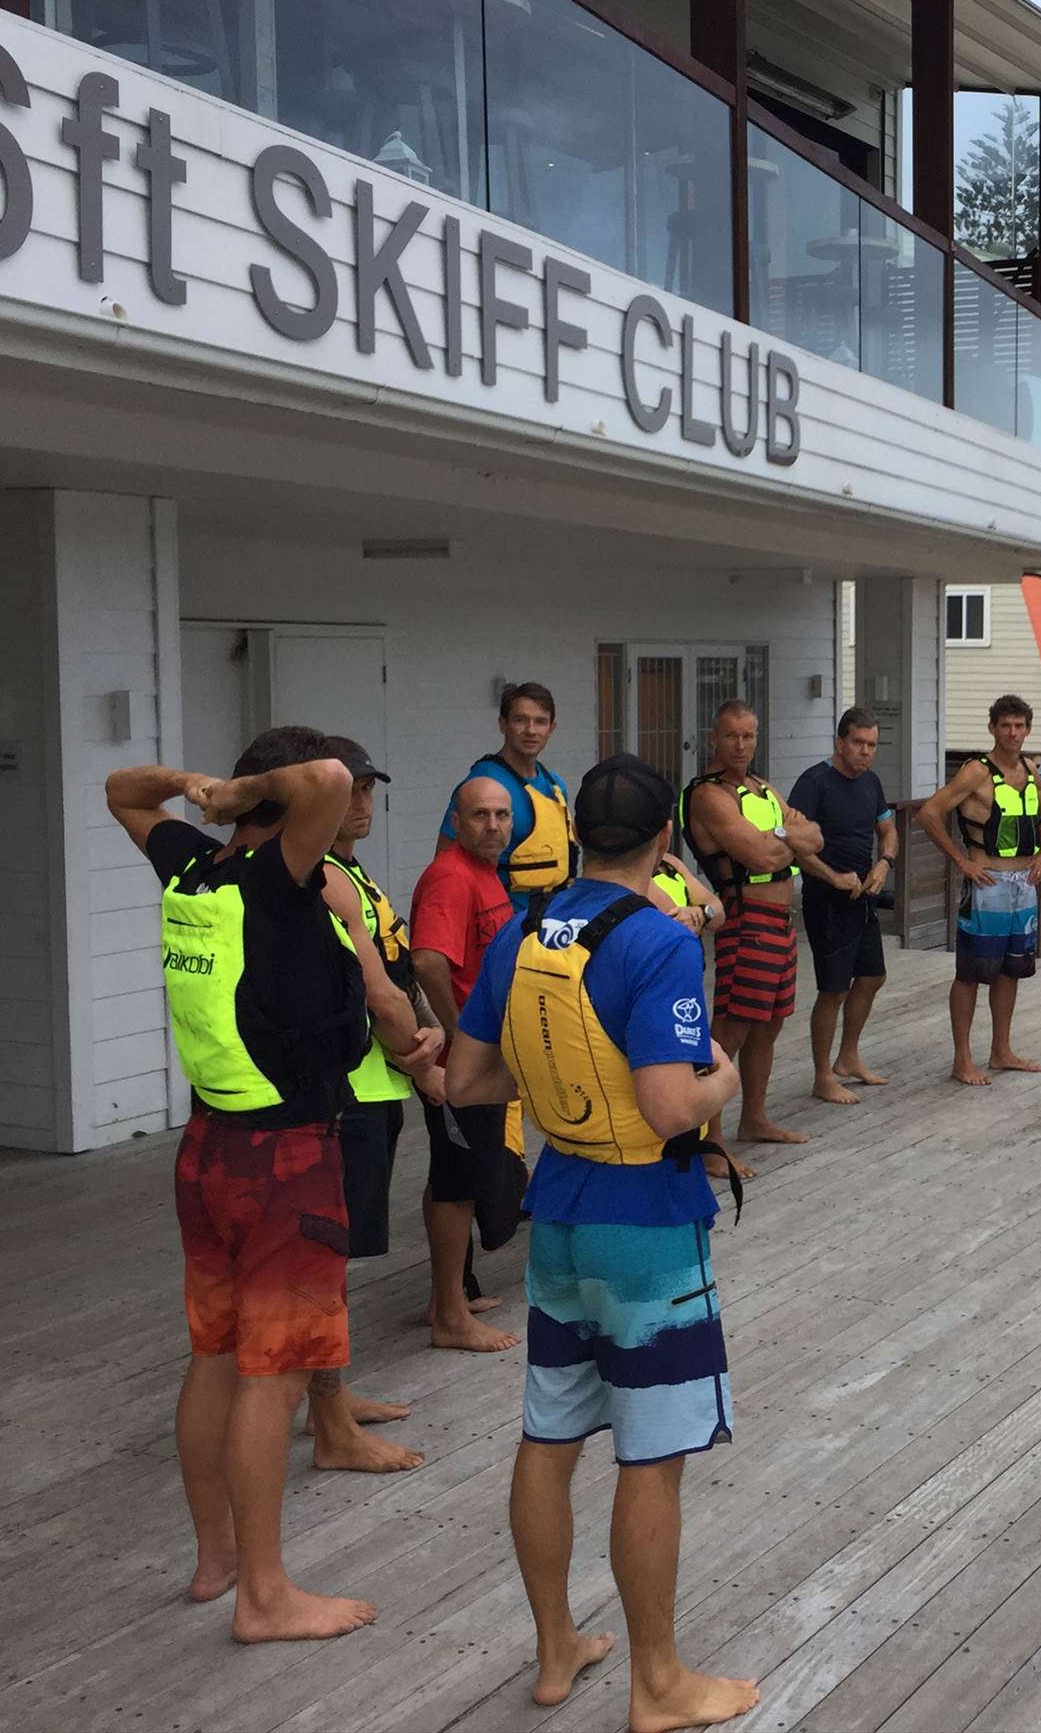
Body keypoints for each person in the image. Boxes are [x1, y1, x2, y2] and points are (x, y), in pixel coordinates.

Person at [443, 754, 759, 1729]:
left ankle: (555, 1650)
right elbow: (668, 1106)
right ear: (665, 840)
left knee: (549, 1437)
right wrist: (724, 1078)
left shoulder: (524, 927)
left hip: (562, 1215)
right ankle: (657, 1683)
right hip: (646, 1226)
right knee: (650, 1455)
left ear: (575, 832)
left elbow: (467, 1079)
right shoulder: (658, 940)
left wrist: (562, 1078)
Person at [104, 729, 379, 1640]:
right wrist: (233, 790)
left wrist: (195, 787)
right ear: (289, 805)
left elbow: (121, 789)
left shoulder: (194, 866)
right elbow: (327, 778)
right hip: (287, 1157)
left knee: (215, 1358)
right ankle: (265, 1597)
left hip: (208, 1147)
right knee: (276, 1376)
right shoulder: (278, 876)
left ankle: (216, 1561)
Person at [310, 737, 441, 1473]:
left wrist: (429, 1033)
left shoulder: (353, 872)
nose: (363, 804)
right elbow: (373, 995)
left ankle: (328, 1395)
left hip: (378, 1085)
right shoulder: (321, 878)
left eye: (368, 790)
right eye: (349, 791)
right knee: (325, 1260)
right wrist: (422, 1060)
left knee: (339, 1259)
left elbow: (395, 967)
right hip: (350, 1093)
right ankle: (329, 1420)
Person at [410, 776, 525, 1354]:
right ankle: (451, 1319)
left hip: (480, 1060)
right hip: (463, 1066)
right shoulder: (451, 877)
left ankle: (446, 1298)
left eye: (502, 815)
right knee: (459, 1183)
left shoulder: (485, 873)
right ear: (456, 822)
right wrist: (462, 1038)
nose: (493, 825)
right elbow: (428, 961)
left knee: (454, 1175)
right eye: (480, 815)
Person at [682, 701, 825, 1151]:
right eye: (731, 736)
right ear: (714, 739)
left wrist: (780, 837)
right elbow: (762, 857)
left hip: (781, 922)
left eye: (748, 736)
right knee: (731, 1029)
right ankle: (710, 1140)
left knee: (769, 1025)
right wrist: (785, 835)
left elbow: (816, 837)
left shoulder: (761, 788)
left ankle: (754, 1118)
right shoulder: (708, 795)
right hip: (746, 921)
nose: (740, 745)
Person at [918, 696, 1041, 1087]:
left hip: (1023, 886)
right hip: (988, 884)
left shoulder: (1030, 769)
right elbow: (929, 813)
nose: (1012, 733)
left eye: (1019, 726)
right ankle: (962, 1059)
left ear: (1028, 730)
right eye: (1005, 725)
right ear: (992, 728)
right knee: (971, 973)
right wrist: (961, 861)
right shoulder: (976, 772)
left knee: (1011, 969)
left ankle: (1002, 1050)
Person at [790, 709, 896, 1106]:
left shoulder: (871, 782)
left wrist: (885, 863)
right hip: (826, 901)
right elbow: (793, 845)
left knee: (872, 977)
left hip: (863, 896)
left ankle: (848, 1057)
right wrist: (832, 877)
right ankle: (822, 1076)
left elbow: (888, 828)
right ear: (839, 742)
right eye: (857, 743)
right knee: (833, 989)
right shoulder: (813, 783)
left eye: (872, 745)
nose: (865, 752)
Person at [441, 681, 574, 898]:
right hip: (502, 914)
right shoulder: (483, 783)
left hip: (554, 913)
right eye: (520, 720)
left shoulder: (555, 785)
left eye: (540, 722)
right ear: (503, 724)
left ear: (552, 728)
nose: (531, 731)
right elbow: (445, 864)